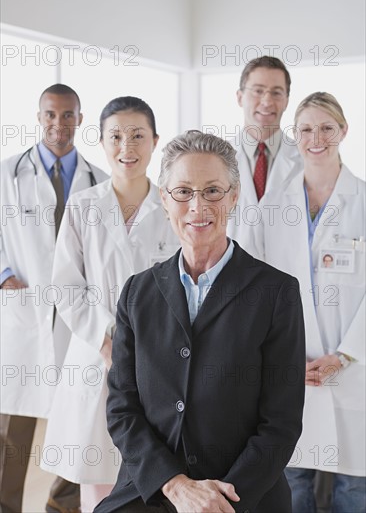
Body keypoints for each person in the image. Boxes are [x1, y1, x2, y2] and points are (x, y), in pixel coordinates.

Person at [94, 130, 306, 513]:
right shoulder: (137, 293)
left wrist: (219, 501)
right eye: (183, 191)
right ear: (164, 198)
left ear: (234, 196)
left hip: (242, 494)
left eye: (212, 191)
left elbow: (282, 424)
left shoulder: (277, 293)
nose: (197, 206)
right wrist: (175, 486)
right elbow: (122, 409)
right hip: (153, 489)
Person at [41, 96, 180, 512]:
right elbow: (66, 286)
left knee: (152, 477)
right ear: (101, 142)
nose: (127, 146)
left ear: (155, 141)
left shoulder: (174, 206)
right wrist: (107, 340)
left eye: (137, 135)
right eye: (116, 136)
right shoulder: (84, 207)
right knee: (98, 480)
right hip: (95, 357)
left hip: (158, 360)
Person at [253, 92, 366, 512]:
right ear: (294, 136)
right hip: (291, 368)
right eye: (305, 129)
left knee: (354, 489)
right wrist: (280, 357)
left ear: (343, 131)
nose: (315, 138)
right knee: (292, 482)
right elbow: (257, 287)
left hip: (354, 370)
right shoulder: (273, 206)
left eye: (326, 128)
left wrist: (347, 354)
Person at [0, 84, 108, 513]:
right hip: (24, 315)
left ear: (80, 120)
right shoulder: (7, 174)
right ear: (39, 116)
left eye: (67, 116)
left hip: (76, 318)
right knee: (12, 427)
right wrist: (4, 274)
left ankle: (62, 506)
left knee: (78, 419)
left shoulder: (97, 181)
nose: (58, 125)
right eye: (50, 115)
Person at [227, 56, 302, 252]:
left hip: (288, 275)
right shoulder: (217, 159)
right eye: (258, 91)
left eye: (276, 93)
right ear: (239, 97)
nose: (267, 101)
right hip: (231, 276)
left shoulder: (305, 160)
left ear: (286, 101)